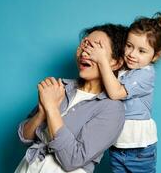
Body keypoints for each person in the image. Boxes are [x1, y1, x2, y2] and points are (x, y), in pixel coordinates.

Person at [15, 24, 128, 173]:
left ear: (115, 62)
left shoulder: (113, 109)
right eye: (85, 44)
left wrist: (51, 109)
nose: (85, 52)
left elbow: (72, 160)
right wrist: (42, 112)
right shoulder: (60, 86)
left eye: (96, 47)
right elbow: (24, 137)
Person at [82, 12, 161, 173]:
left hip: (139, 149)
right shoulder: (124, 69)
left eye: (142, 51)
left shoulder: (146, 73)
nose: (132, 54)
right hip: (118, 144)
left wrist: (102, 59)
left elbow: (115, 93)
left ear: (155, 56)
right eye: (129, 46)